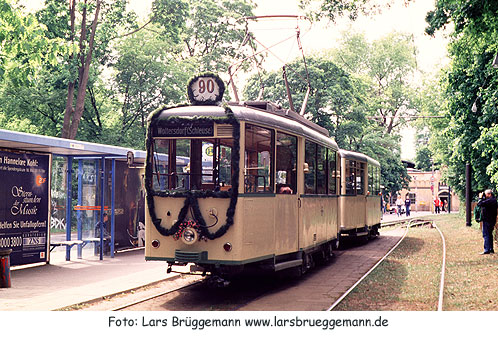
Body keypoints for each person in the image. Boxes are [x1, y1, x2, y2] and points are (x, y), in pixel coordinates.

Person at [477, 189, 497, 255]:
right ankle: (491, 249)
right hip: (492, 220)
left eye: (485, 195)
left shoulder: (490, 200)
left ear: (489, 194)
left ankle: (487, 249)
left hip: (487, 220)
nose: (485, 196)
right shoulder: (493, 200)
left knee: (486, 234)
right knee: (490, 234)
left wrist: (480, 198)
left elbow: (480, 204)